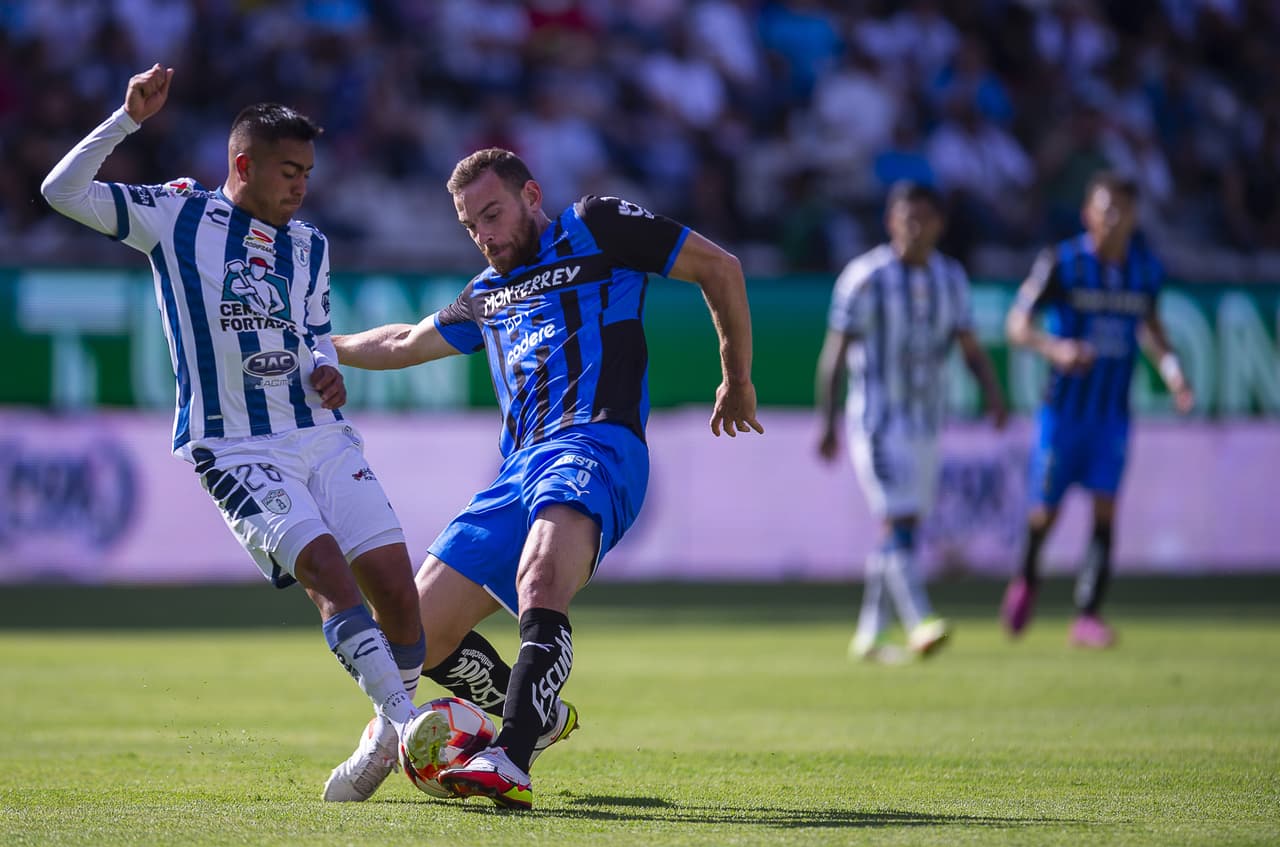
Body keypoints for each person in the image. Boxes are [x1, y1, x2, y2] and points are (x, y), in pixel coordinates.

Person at [40, 64, 435, 802]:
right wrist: (125, 120)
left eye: (309, 172)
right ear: (243, 165)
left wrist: (326, 367)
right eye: (289, 171)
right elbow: (59, 191)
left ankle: (386, 736)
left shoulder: (311, 246)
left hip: (318, 433)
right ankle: (412, 723)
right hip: (233, 444)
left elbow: (314, 332)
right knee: (327, 574)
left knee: (398, 593)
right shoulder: (175, 217)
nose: (301, 186)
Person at [334, 147, 763, 809]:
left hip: (598, 442)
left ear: (531, 195)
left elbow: (719, 266)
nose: (485, 233)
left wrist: (736, 378)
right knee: (417, 629)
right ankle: (535, 708)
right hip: (517, 472)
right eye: (471, 224)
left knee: (541, 578)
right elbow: (400, 342)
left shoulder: (596, 228)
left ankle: (512, 753)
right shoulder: (485, 293)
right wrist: (318, 348)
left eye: (494, 213)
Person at [815, 181, 1007, 663]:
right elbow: (834, 354)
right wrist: (828, 422)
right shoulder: (864, 277)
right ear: (890, 221)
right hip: (876, 421)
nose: (915, 227)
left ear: (940, 224)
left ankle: (871, 633)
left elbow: (969, 346)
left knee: (901, 527)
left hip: (925, 423)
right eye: (906, 217)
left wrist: (993, 393)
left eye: (924, 217)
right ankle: (919, 618)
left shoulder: (951, 278)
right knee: (897, 519)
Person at [1001, 172, 1194, 648]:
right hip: (1064, 413)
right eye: (1104, 209)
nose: (1112, 219)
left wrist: (1172, 373)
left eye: (1122, 210)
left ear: (1133, 216)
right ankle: (1027, 578)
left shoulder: (1145, 270)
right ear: (1088, 213)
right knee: (1044, 514)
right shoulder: (1062, 263)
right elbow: (1016, 324)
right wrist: (1055, 349)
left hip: (1111, 414)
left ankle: (1087, 615)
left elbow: (1151, 328)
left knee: (1106, 510)